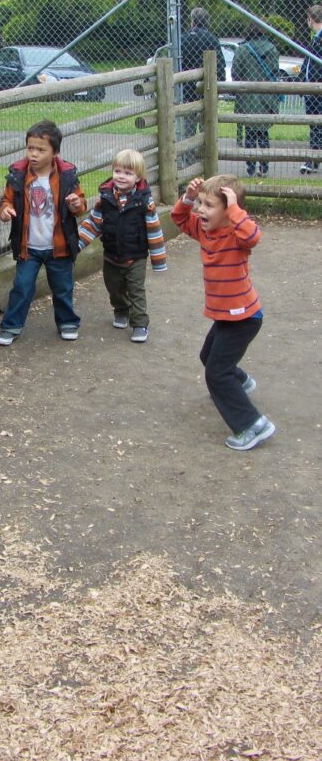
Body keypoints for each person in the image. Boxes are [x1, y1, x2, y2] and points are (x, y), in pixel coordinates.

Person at [170, 174, 275, 451]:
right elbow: (179, 218)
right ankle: (241, 383)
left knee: (216, 373)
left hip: (244, 318)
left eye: (209, 205)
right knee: (208, 357)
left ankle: (252, 425)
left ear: (228, 210)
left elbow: (253, 235)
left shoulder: (236, 234)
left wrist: (234, 209)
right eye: (201, 204)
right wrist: (189, 198)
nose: (201, 210)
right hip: (227, 317)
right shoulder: (205, 230)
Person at [0, 120, 87, 346]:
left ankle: (67, 322)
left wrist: (76, 205)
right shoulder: (18, 175)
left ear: (55, 152)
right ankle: (11, 326)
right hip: (29, 247)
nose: (34, 154)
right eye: (30, 148)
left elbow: (81, 205)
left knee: (63, 288)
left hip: (59, 246)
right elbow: (5, 201)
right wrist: (5, 210)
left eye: (41, 149)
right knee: (22, 287)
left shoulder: (66, 176)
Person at [76, 149, 167, 343]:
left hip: (136, 256)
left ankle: (140, 323)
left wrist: (158, 260)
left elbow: (154, 230)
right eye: (118, 171)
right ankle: (121, 310)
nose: (121, 177)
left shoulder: (144, 202)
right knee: (114, 286)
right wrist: (76, 243)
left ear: (138, 177)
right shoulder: (106, 199)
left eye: (128, 173)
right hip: (111, 255)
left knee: (136, 290)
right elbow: (93, 223)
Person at [178, 8, 226, 168]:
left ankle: (189, 162)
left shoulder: (182, 39)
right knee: (208, 126)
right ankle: (207, 159)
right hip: (207, 90)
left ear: (192, 21)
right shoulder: (211, 39)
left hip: (186, 91)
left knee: (188, 129)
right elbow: (220, 65)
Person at [231, 24, 279, 178]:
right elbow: (275, 72)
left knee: (250, 134)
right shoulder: (272, 49)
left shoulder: (242, 50)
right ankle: (264, 168)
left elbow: (235, 73)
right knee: (263, 133)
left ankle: (250, 169)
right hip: (266, 97)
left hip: (247, 98)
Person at [299, 4, 322, 174]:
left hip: (317, 90)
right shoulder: (316, 38)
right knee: (315, 125)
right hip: (311, 91)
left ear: (311, 19)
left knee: (317, 125)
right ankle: (313, 160)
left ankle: (313, 161)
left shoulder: (319, 40)